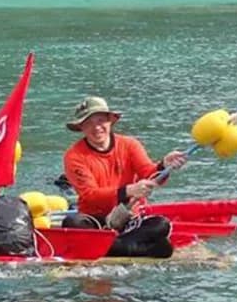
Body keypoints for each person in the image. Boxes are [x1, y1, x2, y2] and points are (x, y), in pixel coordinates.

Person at [61, 96, 188, 257]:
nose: (96, 127)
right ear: (81, 128)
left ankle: (110, 248)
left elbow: (149, 173)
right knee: (73, 223)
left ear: (110, 121)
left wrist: (164, 165)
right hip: (94, 220)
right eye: (88, 123)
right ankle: (142, 249)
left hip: (128, 218)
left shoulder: (130, 145)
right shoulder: (74, 156)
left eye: (100, 121)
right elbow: (90, 196)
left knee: (161, 225)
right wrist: (129, 190)